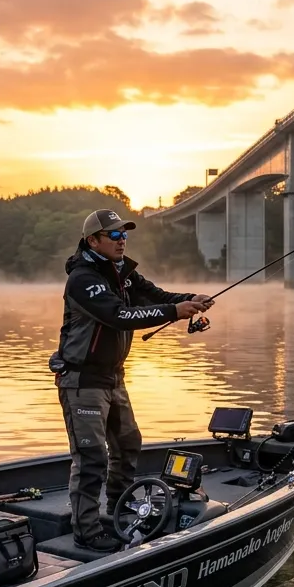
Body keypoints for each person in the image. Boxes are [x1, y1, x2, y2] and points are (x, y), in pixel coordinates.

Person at [52, 208, 213, 552]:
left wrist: (188, 301)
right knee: (92, 456)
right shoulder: (83, 279)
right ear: (92, 240)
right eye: (113, 235)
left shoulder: (123, 272)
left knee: (128, 444)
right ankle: (87, 530)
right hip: (83, 382)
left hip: (113, 379)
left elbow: (155, 296)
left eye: (124, 234)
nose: (121, 239)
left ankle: (118, 507)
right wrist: (174, 312)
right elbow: (119, 316)